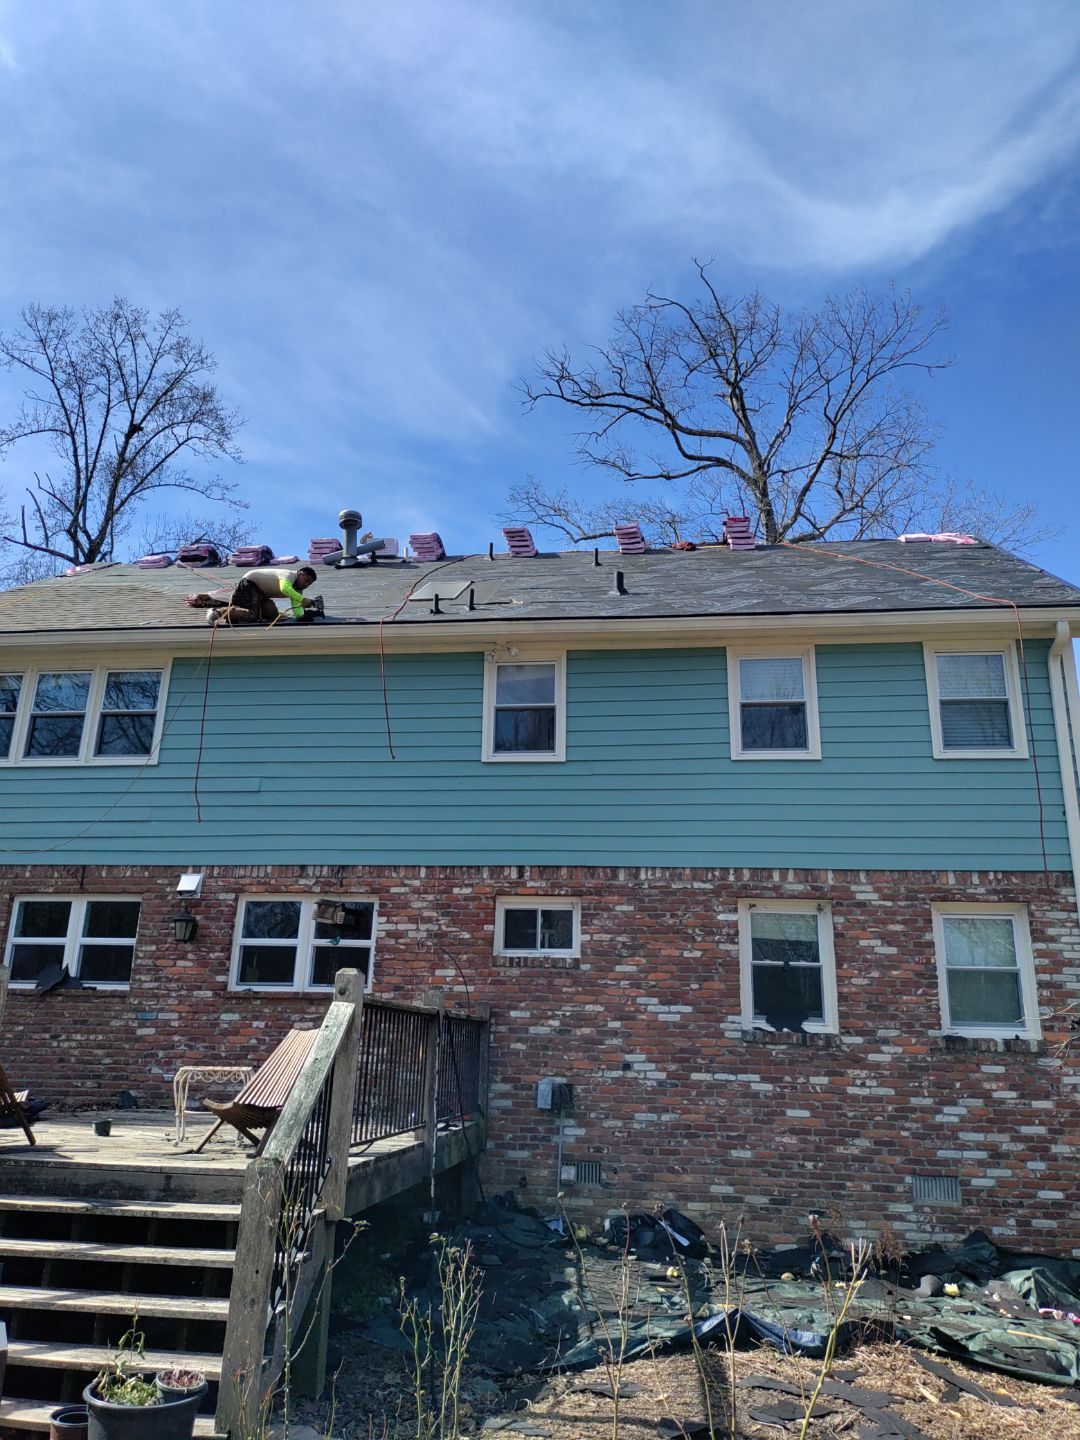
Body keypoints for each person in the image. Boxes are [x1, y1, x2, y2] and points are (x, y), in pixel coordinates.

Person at [209, 566, 319, 625]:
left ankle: (235, 614)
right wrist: (304, 600)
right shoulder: (288, 575)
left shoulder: (297, 590)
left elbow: (296, 608)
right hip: (250, 583)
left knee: (271, 613)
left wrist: (302, 617)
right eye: (306, 580)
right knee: (252, 615)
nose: (306, 584)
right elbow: (284, 588)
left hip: (260, 592)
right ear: (300, 573)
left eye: (309, 583)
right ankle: (217, 612)